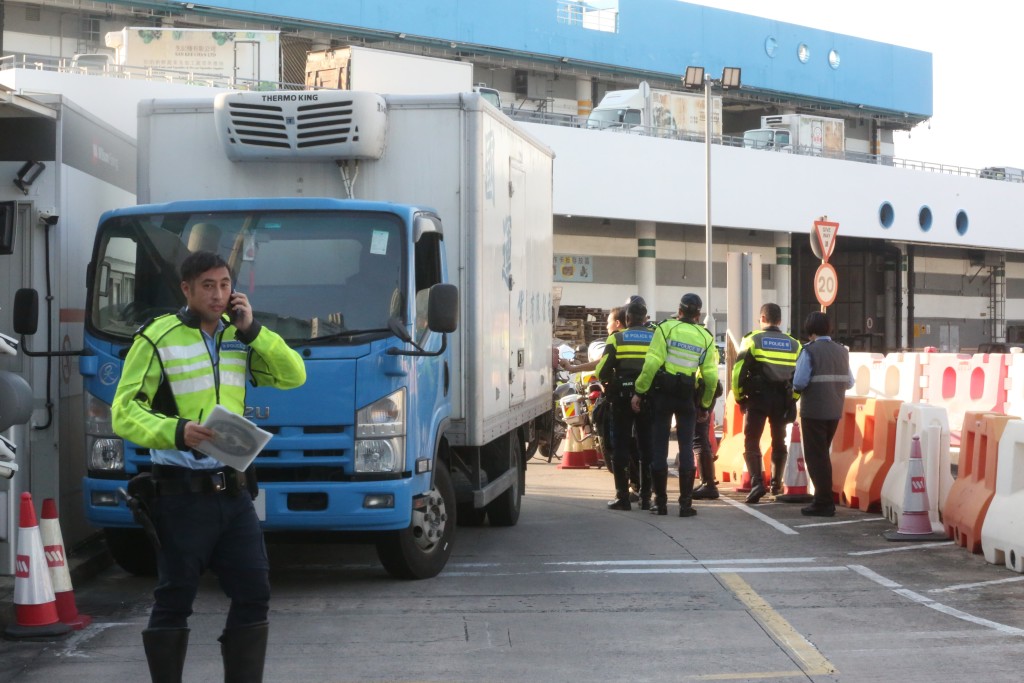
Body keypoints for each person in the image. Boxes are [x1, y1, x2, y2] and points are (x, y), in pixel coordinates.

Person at [112, 251, 307, 683]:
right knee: (175, 599)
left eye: (224, 284)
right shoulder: (156, 339)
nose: (218, 294)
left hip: (235, 493)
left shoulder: (240, 337)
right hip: (180, 496)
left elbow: (294, 376)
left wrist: (254, 330)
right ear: (186, 289)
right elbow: (123, 413)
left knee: (254, 592)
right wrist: (177, 431)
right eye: (207, 285)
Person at [631, 293, 718, 517]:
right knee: (686, 447)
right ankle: (685, 504)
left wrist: (639, 391)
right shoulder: (705, 337)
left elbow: (652, 363)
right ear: (698, 315)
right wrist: (705, 406)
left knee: (659, 446)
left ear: (679, 311)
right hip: (687, 397)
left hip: (662, 396)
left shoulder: (665, 328)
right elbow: (710, 377)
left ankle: (660, 504)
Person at [731, 303, 802, 504]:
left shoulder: (752, 339)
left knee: (751, 439)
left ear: (761, 319)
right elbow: (799, 376)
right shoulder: (794, 344)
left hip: (758, 398)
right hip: (782, 399)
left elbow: (738, 372)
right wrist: (793, 400)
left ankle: (756, 483)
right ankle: (776, 485)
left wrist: (739, 396)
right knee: (779, 441)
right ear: (780, 321)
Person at [791, 311, 853, 517]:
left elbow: (799, 381)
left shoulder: (809, 351)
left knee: (816, 458)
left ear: (810, 331)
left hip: (814, 410)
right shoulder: (842, 351)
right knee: (822, 456)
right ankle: (824, 499)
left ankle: (823, 501)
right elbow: (850, 382)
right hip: (834, 410)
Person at [596, 301, 655, 510]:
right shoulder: (656, 338)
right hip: (647, 396)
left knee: (620, 445)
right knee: (647, 446)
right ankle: (647, 497)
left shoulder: (617, 338)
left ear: (627, 320)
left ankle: (622, 496)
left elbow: (602, 369)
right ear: (645, 318)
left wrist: (607, 383)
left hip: (621, 398)